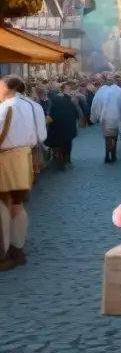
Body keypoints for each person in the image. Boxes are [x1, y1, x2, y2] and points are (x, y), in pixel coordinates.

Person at [0, 76, 33, 270]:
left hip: (7, 159)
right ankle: (16, 248)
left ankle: (7, 252)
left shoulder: (5, 109)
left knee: (5, 206)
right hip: (22, 156)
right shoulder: (29, 106)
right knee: (15, 205)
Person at [45, 83, 79, 170]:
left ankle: (58, 158)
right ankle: (67, 158)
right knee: (68, 142)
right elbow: (76, 114)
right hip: (70, 127)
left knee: (56, 142)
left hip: (58, 128)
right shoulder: (69, 101)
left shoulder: (54, 102)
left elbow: (51, 116)